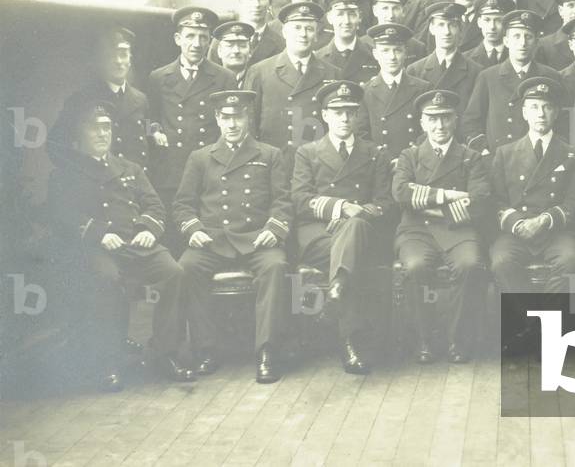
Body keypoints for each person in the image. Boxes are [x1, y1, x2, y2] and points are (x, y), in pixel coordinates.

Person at [47, 99, 192, 391]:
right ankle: (108, 361)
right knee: (106, 280)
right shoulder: (66, 175)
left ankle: (165, 353)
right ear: (79, 134)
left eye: (106, 127)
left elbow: (154, 205)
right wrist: (98, 233)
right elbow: (61, 214)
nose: (103, 134)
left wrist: (149, 229)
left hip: (136, 244)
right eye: (94, 128)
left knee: (174, 273)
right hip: (96, 248)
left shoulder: (130, 168)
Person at [174, 90, 291, 384]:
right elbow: (182, 204)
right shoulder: (200, 157)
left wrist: (273, 229)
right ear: (217, 119)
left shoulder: (269, 154)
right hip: (214, 239)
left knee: (275, 267)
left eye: (238, 117)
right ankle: (206, 349)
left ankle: (266, 351)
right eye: (226, 118)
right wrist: (194, 230)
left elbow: (283, 202)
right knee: (186, 268)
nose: (232, 124)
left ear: (247, 118)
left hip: (256, 238)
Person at [291, 80, 395, 375]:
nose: (345, 118)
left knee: (355, 228)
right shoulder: (307, 152)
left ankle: (338, 293)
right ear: (325, 116)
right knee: (350, 249)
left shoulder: (375, 153)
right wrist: (339, 207)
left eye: (351, 112)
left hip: (361, 234)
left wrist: (355, 214)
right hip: (318, 236)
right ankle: (349, 334)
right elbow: (299, 200)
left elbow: (385, 202)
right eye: (338, 112)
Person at [392, 89, 491, 363]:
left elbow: (480, 201)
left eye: (445, 118)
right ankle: (423, 339)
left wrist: (424, 200)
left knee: (470, 264)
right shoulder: (409, 156)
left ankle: (457, 339)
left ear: (455, 120)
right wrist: (446, 196)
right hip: (416, 231)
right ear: (422, 123)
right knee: (415, 267)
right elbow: (400, 194)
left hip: (458, 230)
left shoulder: (470, 156)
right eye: (432, 119)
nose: (439, 126)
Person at [490, 78, 575, 352]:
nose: (540, 114)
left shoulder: (571, 154)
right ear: (524, 112)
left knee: (571, 260)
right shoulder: (505, 153)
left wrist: (544, 220)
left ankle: (546, 327)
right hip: (516, 231)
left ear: (556, 112)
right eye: (534, 107)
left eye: (546, 107)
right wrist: (516, 222)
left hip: (554, 230)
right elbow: (494, 200)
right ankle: (530, 322)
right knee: (500, 262)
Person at [146, 7, 236, 209]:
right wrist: (154, 132)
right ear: (178, 39)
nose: (197, 44)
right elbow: (149, 119)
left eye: (203, 37)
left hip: (208, 170)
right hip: (170, 170)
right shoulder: (159, 77)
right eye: (190, 36)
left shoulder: (224, 78)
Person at [243, 2, 342, 158]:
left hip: (316, 163)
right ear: (284, 32)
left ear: (316, 35)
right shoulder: (260, 71)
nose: (303, 34)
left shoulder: (332, 73)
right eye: (297, 27)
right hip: (274, 163)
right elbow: (249, 124)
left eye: (309, 29)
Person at [463, 10, 562, 153]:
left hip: (540, 155)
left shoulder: (550, 76)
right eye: (517, 36)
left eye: (528, 37)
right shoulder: (488, 77)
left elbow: (563, 119)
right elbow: (470, 122)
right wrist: (484, 150)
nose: (522, 43)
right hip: (498, 158)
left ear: (536, 42)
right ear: (506, 41)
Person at [61, 27, 152, 172]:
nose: (118, 61)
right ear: (100, 60)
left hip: (135, 186)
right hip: (99, 188)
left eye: (123, 55)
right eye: (111, 56)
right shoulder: (81, 100)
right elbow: (56, 145)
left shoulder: (141, 100)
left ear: (130, 59)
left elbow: (150, 141)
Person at [356, 24, 431, 166]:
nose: (392, 57)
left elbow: (428, 130)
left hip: (415, 162)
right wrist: (383, 158)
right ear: (375, 54)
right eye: (385, 51)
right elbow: (361, 134)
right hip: (380, 164)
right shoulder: (365, 92)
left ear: (406, 53)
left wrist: (409, 157)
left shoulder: (423, 88)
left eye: (397, 50)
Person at [407, 2, 484, 113]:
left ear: (460, 29)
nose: (446, 32)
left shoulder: (476, 71)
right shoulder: (415, 70)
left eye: (452, 25)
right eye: (441, 25)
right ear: (431, 29)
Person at [210, 0, 283, 67]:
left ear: (270, 2)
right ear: (241, 0)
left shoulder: (280, 43)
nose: (257, 4)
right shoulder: (221, 40)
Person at [315, 0, 379, 84]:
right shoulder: (317, 59)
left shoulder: (375, 56)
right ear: (329, 18)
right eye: (340, 14)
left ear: (360, 17)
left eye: (352, 14)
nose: (346, 21)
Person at [359, 0, 427, 64]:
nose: (391, 15)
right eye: (385, 8)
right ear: (375, 11)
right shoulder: (361, 45)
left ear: (403, 11)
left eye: (396, 8)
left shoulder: (417, 47)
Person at [463, 0, 514, 66]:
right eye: (487, 20)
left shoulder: (517, 57)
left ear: (507, 24)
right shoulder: (465, 59)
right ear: (479, 22)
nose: (492, 26)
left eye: (498, 20)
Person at [213, 21, 255, 87]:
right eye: (230, 45)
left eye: (242, 45)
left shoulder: (257, 81)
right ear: (219, 50)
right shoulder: (209, 82)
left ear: (250, 51)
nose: (236, 51)